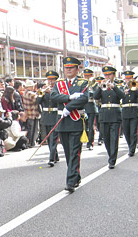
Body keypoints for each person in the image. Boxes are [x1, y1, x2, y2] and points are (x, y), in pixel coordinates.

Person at [50, 56, 88, 193]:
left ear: (77, 69)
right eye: (66, 68)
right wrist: (69, 97)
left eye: (71, 67)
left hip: (75, 121)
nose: (69, 70)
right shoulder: (59, 84)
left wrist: (69, 107)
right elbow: (53, 97)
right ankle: (75, 176)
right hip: (63, 122)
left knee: (74, 152)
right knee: (68, 152)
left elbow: (84, 98)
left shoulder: (82, 83)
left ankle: (70, 181)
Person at [94, 66, 124, 169]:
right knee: (106, 138)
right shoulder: (102, 86)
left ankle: (112, 160)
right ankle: (110, 154)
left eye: (109, 74)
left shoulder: (119, 85)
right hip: (104, 115)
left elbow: (123, 96)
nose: (107, 76)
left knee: (114, 138)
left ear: (113, 75)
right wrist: (99, 86)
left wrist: (114, 87)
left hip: (115, 115)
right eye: (106, 75)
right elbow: (95, 96)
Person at [36, 71, 59, 166]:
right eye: (49, 79)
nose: (50, 81)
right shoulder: (44, 90)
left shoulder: (58, 90)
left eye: (52, 79)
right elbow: (37, 101)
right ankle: (55, 155)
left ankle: (51, 158)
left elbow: (59, 100)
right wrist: (41, 93)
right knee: (49, 138)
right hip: (46, 115)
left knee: (53, 137)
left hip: (54, 114)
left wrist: (52, 93)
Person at [121, 70, 138, 157]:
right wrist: (123, 92)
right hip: (125, 111)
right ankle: (130, 145)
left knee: (133, 131)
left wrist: (134, 89)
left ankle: (132, 149)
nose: (128, 80)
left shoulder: (136, 87)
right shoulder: (121, 87)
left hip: (134, 111)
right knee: (126, 131)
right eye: (126, 78)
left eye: (129, 78)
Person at [83, 68, 98, 150]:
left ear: (91, 76)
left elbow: (96, 95)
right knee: (83, 126)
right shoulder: (82, 84)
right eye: (85, 76)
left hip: (91, 106)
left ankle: (90, 142)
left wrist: (90, 90)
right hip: (83, 106)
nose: (86, 77)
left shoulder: (95, 85)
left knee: (90, 125)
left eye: (88, 76)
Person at [23, 79, 40, 147]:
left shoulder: (25, 93)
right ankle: (32, 142)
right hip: (33, 113)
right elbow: (38, 99)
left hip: (28, 113)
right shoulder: (31, 93)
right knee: (34, 129)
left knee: (30, 129)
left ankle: (30, 142)